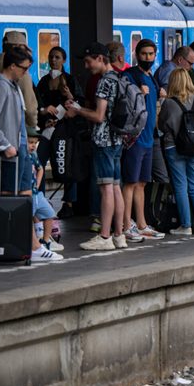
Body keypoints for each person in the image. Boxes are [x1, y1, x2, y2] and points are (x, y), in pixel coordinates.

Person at [0, 45, 60, 262]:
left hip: (19, 151)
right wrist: (6, 144)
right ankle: (32, 246)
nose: (26, 73)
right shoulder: (2, 87)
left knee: (25, 197)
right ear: (13, 66)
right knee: (16, 199)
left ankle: (30, 245)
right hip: (10, 153)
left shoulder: (12, 86)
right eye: (24, 68)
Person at [66, 43, 127, 251]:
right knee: (117, 187)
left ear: (100, 58)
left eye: (88, 61)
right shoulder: (120, 78)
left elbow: (98, 116)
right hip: (118, 140)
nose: (86, 65)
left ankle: (104, 236)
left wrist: (77, 109)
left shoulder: (103, 83)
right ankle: (120, 235)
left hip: (103, 141)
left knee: (106, 188)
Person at [157, 68, 194, 236]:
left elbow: (162, 125)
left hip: (174, 146)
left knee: (180, 185)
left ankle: (186, 225)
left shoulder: (168, 103)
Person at [121, 39, 162, 242]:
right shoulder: (130, 76)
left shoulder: (151, 78)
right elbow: (121, 101)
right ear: (137, 55)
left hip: (148, 138)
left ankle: (142, 224)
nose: (147, 58)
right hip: (134, 138)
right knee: (130, 182)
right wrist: (138, 92)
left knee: (142, 183)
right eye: (144, 54)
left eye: (151, 54)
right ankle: (126, 225)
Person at [0, 30, 39, 134]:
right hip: (16, 132)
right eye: (24, 48)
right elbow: (30, 109)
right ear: (18, 47)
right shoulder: (21, 73)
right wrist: (32, 126)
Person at [36, 45, 81, 129]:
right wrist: (44, 110)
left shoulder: (70, 80)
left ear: (63, 61)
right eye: (51, 57)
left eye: (57, 57)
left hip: (66, 125)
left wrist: (69, 95)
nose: (53, 60)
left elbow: (80, 102)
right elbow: (37, 102)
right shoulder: (43, 81)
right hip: (47, 124)